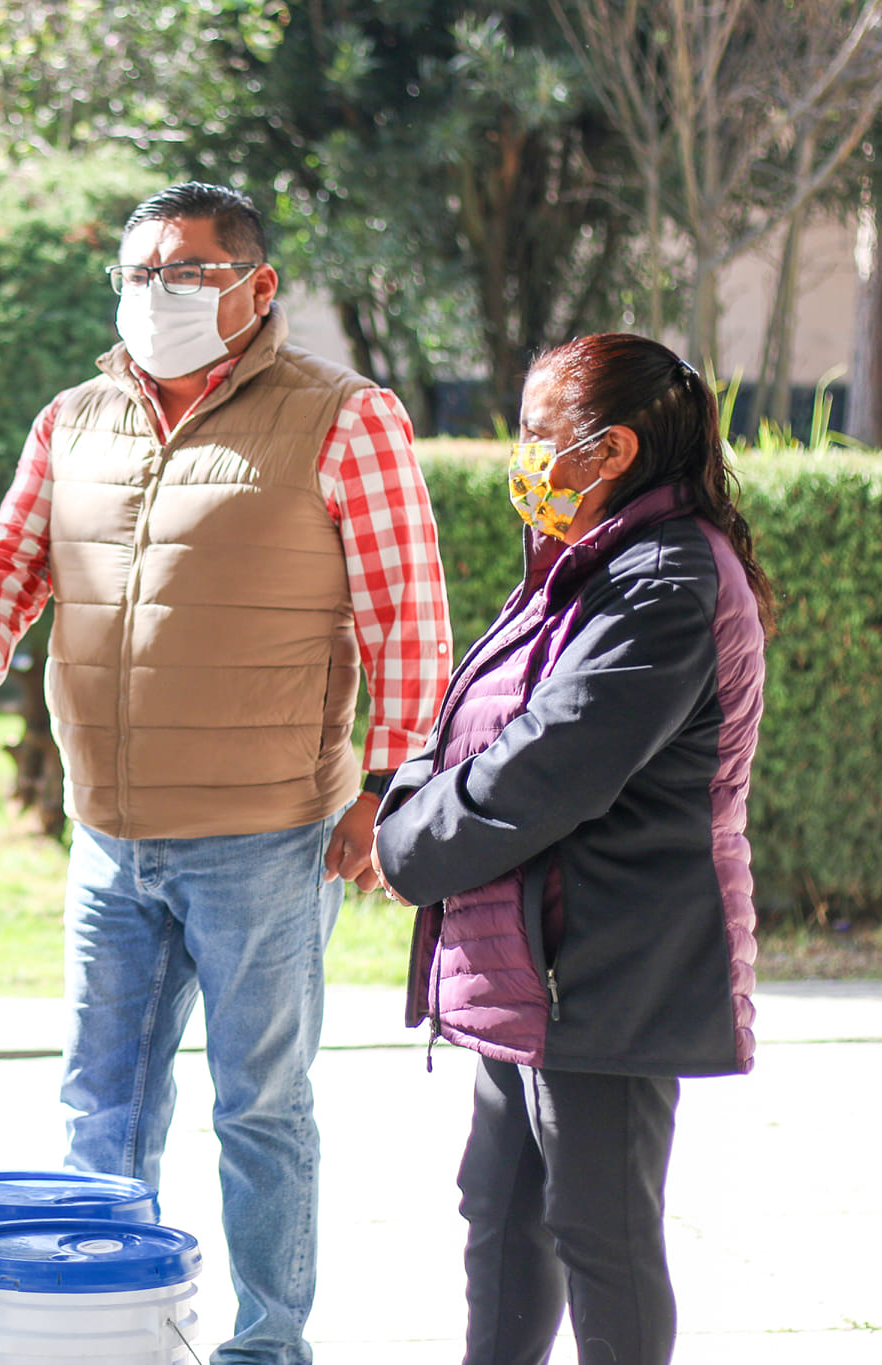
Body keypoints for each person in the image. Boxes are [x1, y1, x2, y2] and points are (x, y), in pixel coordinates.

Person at [0, 182, 451, 1364]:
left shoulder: (344, 418)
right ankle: (99, 1335)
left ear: (256, 289)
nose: (154, 294)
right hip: (109, 836)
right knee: (96, 1110)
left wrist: (384, 793)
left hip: (267, 841)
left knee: (258, 1111)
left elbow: (407, 622)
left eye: (187, 272)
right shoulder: (74, 419)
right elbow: (6, 559)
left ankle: (266, 1347)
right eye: (138, 272)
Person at [372, 333, 769, 1365]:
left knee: (599, 1231)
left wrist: (403, 848)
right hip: (536, 957)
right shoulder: (581, 565)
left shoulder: (664, 579)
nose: (520, 455)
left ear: (611, 451)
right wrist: (399, 803)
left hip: (612, 959)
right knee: (500, 1212)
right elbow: (477, 721)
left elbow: (549, 766)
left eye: (537, 433)